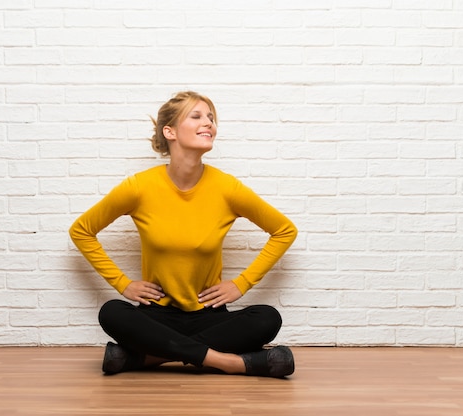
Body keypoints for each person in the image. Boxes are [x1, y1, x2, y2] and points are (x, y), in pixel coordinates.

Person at [69, 91, 298, 378]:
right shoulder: (140, 187)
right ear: (170, 131)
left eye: (211, 118)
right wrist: (122, 283)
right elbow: (81, 231)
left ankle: (145, 359)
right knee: (112, 312)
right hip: (155, 316)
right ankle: (232, 363)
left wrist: (242, 284)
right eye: (197, 116)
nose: (209, 124)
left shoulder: (227, 188)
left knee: (267, 318)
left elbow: (284, 230)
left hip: (209, 317)